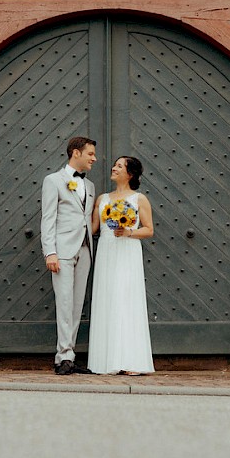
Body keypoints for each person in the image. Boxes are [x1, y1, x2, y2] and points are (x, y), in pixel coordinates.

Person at [87, 156, 155, 375]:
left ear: (130, 173)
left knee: (126, 301)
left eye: (119, 166)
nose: (114, 168)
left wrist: (129, 232)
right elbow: (93, 229)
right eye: (114, 165)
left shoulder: (138, 199)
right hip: (107, 252)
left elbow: (149, 229)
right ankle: (106, 361)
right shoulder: (102, 198)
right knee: (107, 300)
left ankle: (131, 361)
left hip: (127, 251)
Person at [40, 136, 97, 375]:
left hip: (84, 249)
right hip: (62, 251)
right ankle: (62, 357)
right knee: (64, 304)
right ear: (76, 153)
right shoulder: (53, 181)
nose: (94, 158)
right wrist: (50, 252)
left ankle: (69, 356)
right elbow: (48, 218)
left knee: (75, 306)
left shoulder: (91, 186)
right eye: (90, 154)